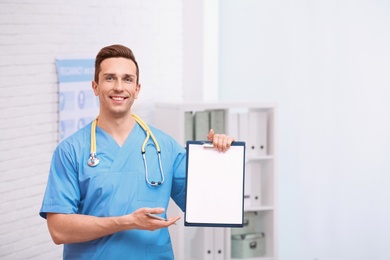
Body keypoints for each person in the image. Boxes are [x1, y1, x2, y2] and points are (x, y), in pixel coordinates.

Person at [40, 44, 235, 259]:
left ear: (137, 89)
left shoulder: (165, 147)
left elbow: (209, 205)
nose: (119, 87)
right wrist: (126, 222)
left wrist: (219, 157)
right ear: (95, 86)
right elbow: (58, 229)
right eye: (110, 78)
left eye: (127, 79)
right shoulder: (70, 151)